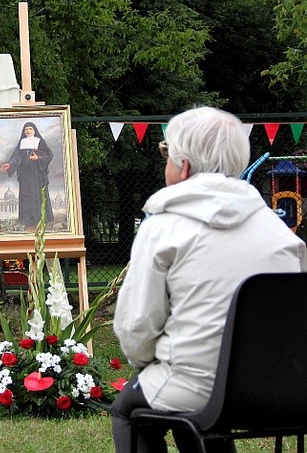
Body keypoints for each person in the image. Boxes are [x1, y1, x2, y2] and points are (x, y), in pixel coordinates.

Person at [110, 107, 307, 453]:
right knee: (195, 405)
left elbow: (136, 326)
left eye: (165, 153)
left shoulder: (163, 226)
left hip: (196, 388)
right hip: (284, 391)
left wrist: (148, 363)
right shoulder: (281, 232)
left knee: (129, 406)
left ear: (183, 166)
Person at [0, 121, 53, 229]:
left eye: (30, 129)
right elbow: (16, 157)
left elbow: (49, 155)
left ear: (34, 130)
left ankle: (40, 218)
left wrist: (38, 158)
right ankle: (26, 219)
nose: (28, 131)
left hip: (37, 173)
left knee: (37, 193)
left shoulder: (40, 141)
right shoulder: (22, 142)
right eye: (26, 129)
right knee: (26, 194)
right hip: (24, 173)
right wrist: (10, 165)